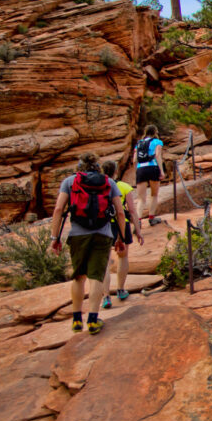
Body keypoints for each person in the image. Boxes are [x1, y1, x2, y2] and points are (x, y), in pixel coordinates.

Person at [50, 153, 127, 335]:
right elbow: (120, 212)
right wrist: (121, 238)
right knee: (96, 277)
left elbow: (59, 209)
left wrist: (55, 238)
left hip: (78, 235)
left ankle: (77, 320)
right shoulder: (109, 183)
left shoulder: (69, 182)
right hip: (103, 234)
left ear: (79, 167)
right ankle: (93, 320)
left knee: (78, 276)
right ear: (97, 167)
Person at [100, 160, 144, 309]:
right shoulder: (124, 187)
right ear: (116, 172)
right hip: (121, 224)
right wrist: (138, 230)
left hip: (103, 225)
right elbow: (132, 210)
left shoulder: (98, 187)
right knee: (123, 256)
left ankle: (106, 296)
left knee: (105, 261)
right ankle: (120, 289)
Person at [134, 124, 165, 226]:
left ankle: (138, 220)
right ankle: (151, 218)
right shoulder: (157, 142)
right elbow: (157, 156)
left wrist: (137, 171)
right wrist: (161, 171)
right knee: (154, 194)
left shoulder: (139, 143)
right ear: (155, 132)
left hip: (140, 169)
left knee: (141, 198)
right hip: (153, 168)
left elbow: (134, 160)